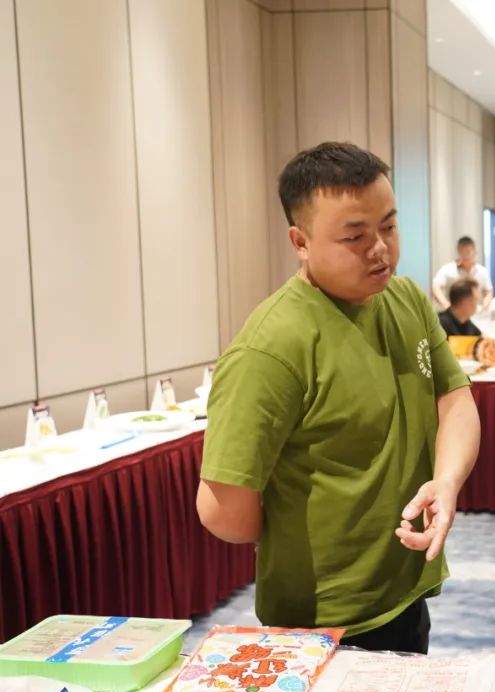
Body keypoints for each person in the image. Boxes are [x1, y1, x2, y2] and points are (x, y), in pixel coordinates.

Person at [197, 142, 480, 653]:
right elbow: (221, 509)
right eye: (355, 236)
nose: (380, 248)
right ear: (300, 241)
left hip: (404, 585)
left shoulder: (405, 299)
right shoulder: (272, 346)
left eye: (389, 227)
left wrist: (446, 480)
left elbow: (454, 397)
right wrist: (300, 532)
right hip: (322, 617)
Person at [432, 236, 493, 310]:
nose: (465, 256)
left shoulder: (482, 271)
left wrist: (484, 307)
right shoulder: (448, 269)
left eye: (468, 251)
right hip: (454, 311)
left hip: (476, 311)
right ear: (458, 252)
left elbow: (488, 292)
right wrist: (446, 304)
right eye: (462, 252)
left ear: (475, 251)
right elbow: (435, 286)